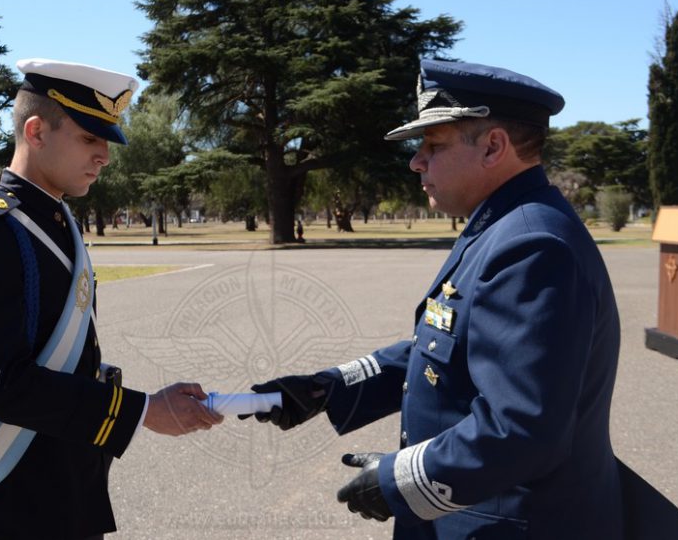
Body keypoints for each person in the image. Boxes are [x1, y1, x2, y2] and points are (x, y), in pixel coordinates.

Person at [247, 60, 624, 539]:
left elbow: (523, 427)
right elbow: (445, 346)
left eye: (433, 144)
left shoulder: (532, 245)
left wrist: (399, 480)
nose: (416, 161)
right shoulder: (503, 225)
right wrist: (329, 387)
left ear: (493, 146)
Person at [0, 58, 222, 539]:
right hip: (15, 506)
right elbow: (3, 385)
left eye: (105, 140)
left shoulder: (59, 223)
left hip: (70, 489)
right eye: (90, 138)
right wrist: (143, 410)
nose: (105, 155)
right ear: (36, 131)